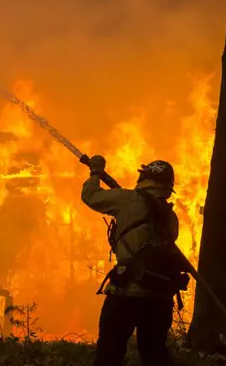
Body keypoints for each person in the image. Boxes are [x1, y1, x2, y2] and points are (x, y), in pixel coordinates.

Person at [81, 155, 189, 366]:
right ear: (168, 186)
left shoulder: (128, 200)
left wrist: (95, 173)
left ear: (144, 178)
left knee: (109, 355)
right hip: (160, 297)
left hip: (126, 294)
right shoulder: (170, 216)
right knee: (154, 355)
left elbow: (90, 195)